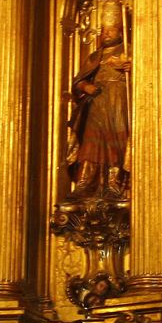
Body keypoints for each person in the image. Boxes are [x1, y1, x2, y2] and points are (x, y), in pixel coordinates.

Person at [67, 11, 132, 198]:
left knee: (117, 140)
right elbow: (78, 81)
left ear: (120, 32)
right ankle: (85, 180)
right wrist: (86, 86)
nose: (106, 34)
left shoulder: (129, 50)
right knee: (90, 141)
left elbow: (147, 77)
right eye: (104, 30)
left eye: (111, 30)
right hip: (96, 102)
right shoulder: (95, 56)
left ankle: (115, 181)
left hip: (119, 101)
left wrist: (132, 67)